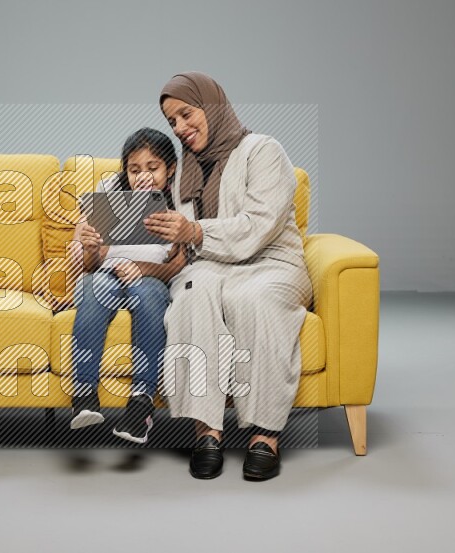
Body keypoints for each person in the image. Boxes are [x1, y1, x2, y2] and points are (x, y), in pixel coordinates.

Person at [144, 72, 313, 480]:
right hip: (211, 265)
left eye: (186, 114)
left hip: (271, 262)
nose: (181, 128)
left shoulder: (263, 150)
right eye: (173, 122)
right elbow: (184, 246)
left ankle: (264, 435)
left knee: (253, 299)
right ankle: (207, 431)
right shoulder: (186, 172)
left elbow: (260, 224)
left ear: (211, 105)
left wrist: (197, 232)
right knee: (189, 293)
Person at [69, 128, 187, 444]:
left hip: (149, 278)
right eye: (134, 170)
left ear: (170, 168)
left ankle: (140, 403)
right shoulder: (109, 190)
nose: (143, 177)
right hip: (107, 273)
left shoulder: (181, 202)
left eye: (153, 168)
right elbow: (90, 265)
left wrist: (142, 269)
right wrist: (91, 247)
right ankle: (83, 395)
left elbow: (177, 267)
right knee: (92, 289)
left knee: (149, 298)